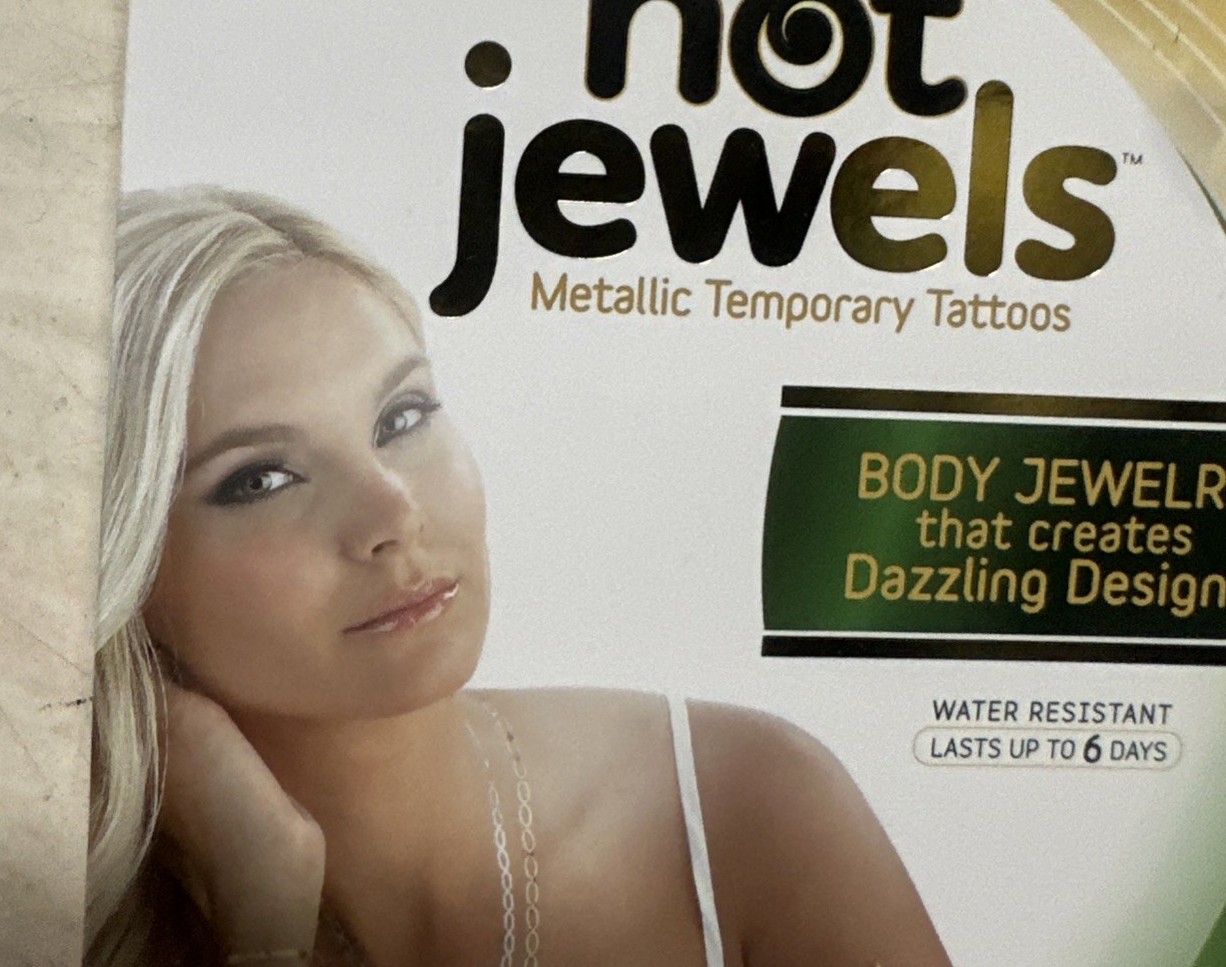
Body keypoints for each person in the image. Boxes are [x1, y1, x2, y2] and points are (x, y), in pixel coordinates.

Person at [87, 185, 951, 967]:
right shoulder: (68, 906)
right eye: (261, 479)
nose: (393, 514)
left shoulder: (743, 808)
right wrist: (263, 924)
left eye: (402, 417)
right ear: (124, 563)